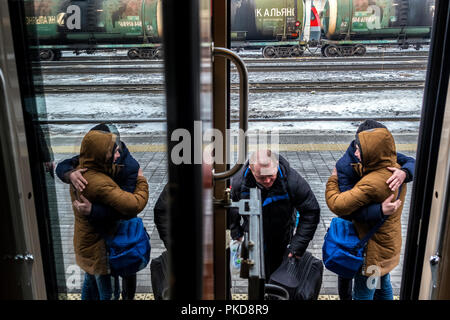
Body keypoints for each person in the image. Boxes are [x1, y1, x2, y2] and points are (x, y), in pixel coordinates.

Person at [56, 123, 142, 300]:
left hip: (118, 236)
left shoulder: (128, 166)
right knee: (99, 283)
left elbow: (127, 210)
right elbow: (63, 165)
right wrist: (70, 174)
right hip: (97, 240)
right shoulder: (95, 159)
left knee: (124, 273)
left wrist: (94, 211)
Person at [334, 119, 415, 300]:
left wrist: (405, 172)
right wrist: (379, 211)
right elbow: (346, 210)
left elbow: (411, 161)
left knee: (375, 283)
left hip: (375, 248)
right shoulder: (346, 165)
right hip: (359, 241)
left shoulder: (380, 155)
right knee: (365, 279)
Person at [229, 149, 320, 278]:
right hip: (253, 236)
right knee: (256, 276)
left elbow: (311, 212)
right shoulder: (239, 183)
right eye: (261, 177)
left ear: (276, 165)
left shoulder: (293, 182)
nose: (267, 181)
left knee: (276, 276)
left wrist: (297, 245)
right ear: (251, 169)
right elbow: (232, 208)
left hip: (282, 235)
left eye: (271, 175)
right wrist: (236, 231)